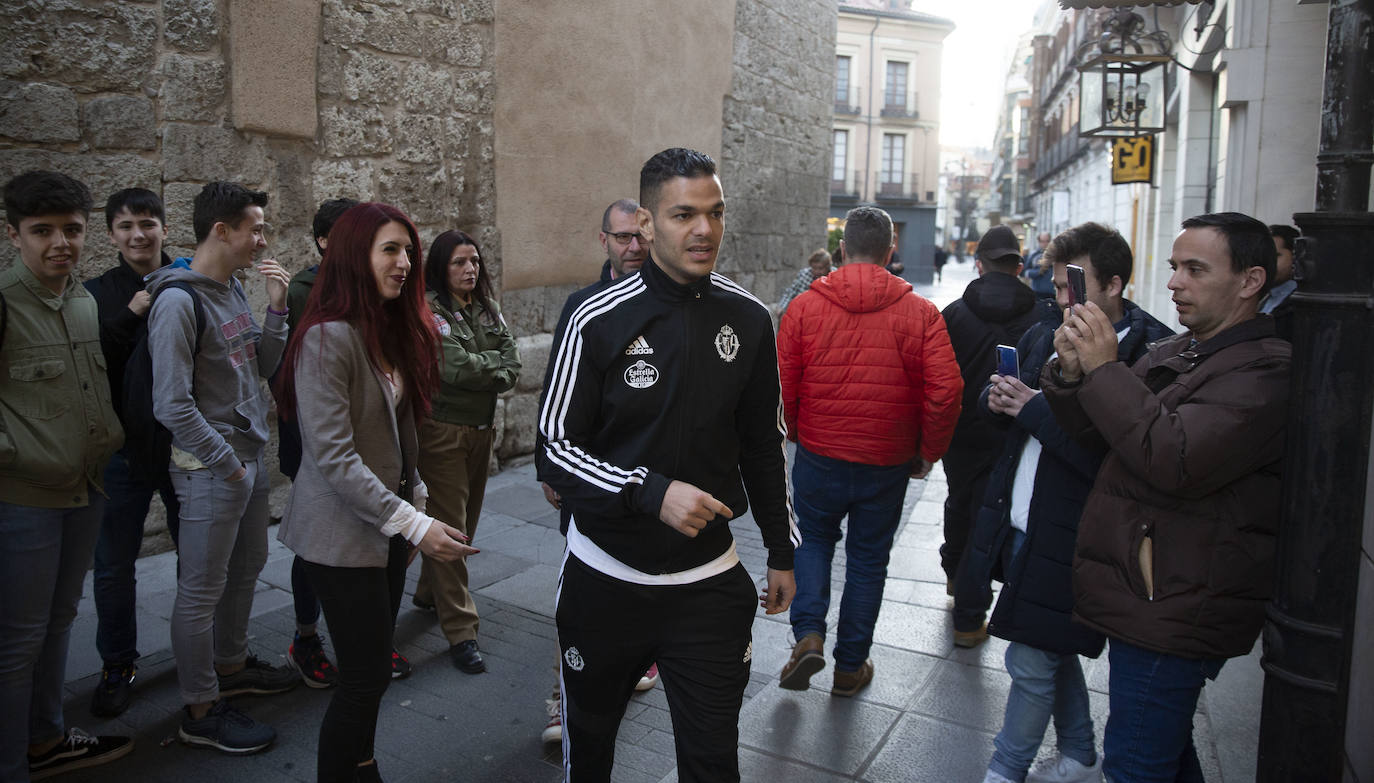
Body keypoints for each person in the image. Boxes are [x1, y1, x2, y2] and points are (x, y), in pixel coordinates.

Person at [538, 147, 798, 782]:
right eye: (684, 214)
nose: (704, 229)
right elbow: (554, 449)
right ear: (649, 225)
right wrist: (649, 491)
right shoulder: (593, 315)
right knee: (589, 748)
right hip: (605, 580)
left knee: (713, 763)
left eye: (715, 213)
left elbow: (763, 443)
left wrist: (783, 550)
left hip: (709, 586)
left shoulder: (748, 317)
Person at [1041, 212, 1290, 782]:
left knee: (1133, 764)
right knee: (1164, 758)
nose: (1175, 281)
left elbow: (1174, 459)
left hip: (1175, 601)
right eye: (1176, 266)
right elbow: (1101, 436)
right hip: (1153, 593)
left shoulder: (1264, 371)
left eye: (1195, 269)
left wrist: (1105, 371)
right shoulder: (1189, 349)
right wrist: (1074, 377)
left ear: (1250, 281)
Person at [954, 223, 1172, 783]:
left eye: (1074, 286)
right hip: (1020, 521)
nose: (1061, 298)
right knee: (1050, 646)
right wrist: (998, 397)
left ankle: (1005, 771)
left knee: (1028, 659)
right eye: (1056, 285)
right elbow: (996, 407)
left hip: (1079, 532)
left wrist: (1030, 409)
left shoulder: (1152, 352)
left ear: (1116, 285)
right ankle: (1079, 753)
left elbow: (1115, 456)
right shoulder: (1042, 332)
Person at [275, 202, 476, 783]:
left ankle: (361, 766)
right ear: (352, 256)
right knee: (363, 676)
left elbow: (403, 438)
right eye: (391, 249)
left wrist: (412, 506)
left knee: (372, 674)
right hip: (339, 536)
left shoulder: (386, 328)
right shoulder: (325, 338)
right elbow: (333, 458)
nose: (407, 262)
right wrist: (416, 525)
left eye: (409, 250)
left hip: (384, 529)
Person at [775, 205, 962, 696]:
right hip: (887, 460)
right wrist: (927, 451)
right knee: (867, 560)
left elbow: (782, 382)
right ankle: (850, 666)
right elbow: (946, 391)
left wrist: (797, 430)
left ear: (841, 249)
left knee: (813, 540)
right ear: (890, 252)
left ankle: (809, 635)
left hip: (819, 453)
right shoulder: (921, 314)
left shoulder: (804, 308)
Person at [146, 181, 298, 754]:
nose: (262, 239)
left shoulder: (232, 287)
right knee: (200, 591)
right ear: (222, 231)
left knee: (247, 566)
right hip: (211, 469)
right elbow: (172, 404)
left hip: (246, 458)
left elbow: (261, 363)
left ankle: (231, 667)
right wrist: (228, 466)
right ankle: (201, 709)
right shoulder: (178, 302)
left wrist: (277, 309)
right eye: (255, 228)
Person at [1, 170, 132, 781]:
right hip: (24, 498)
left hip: (87, 490)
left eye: (73, 230)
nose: (61, 242)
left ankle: (46, 739)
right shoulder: (4, 302)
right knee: (17, 641)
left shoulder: (82, 300)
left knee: (58, 622)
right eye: (42, 230)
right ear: (13, 234)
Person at [536, 198, 656, 745]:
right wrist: (550, 466)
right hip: (590, 478)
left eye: (641, 237)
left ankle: (640, 659)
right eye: (623, 237)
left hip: (653, 485)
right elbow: (556, 396)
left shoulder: (671, 302)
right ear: (603, 240)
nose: (634, 247)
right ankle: (565, 700)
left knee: (645, 589)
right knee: (580, 601)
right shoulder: (582, 307)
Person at [84, 187, 182, 718]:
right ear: (112, 235)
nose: (138, 235)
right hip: (122, 452)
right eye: (125, 227)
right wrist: (132, 312)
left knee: (198, 557)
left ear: (164, 227)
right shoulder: (96, 293)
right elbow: (94, 363)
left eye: (147, 223)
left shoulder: (189, 282)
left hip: (181, 446)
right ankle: (117, 664)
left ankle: (201, 653)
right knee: (114, 566)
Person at [412, 229, 520, 674]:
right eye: (459, 262)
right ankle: (461, 630)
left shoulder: (487, 309)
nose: (470, 269)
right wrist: (490, 365)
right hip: (442, 434)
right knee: (453, 529)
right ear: (440, 267)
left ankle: (427, 593)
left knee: (463, 524)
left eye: (474, 261)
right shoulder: (429, 310)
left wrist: (488, 366)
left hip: (481, 432)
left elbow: (513, 365)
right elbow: (452, 367)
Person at [939, 224, 1051, 647]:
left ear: (979, 264)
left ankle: (955, 576)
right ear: (1019, 265)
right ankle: (972, 608)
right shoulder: (1041, 315)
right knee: (991, 516)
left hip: (960, 434)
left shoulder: (954, 313)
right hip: (1011, 433)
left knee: (960, 501)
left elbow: (938, 380)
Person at [1260, 224, 1298, 335]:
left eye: (1275, 255)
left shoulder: (1300, 303)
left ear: (1295, 256)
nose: (1267, 262)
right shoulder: (1262, 295)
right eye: (1264, 256)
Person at [776, 248, 831, 314]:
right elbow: (791, 292)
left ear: (827, 267)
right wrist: (781, 307)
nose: (817, 271)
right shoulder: (804, 274)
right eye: (814, 268)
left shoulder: (833, 276)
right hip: (801, 311)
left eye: (820, 268)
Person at [1023, 232, 1055, 301]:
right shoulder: (1034, 255)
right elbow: (1026, 272)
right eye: (1043, 241)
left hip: (1053, 293)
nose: (1045, 244)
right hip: (1038, 292)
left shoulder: (1056, 255)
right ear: (1039, 242)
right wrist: (1039, 271)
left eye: (1047, 241)